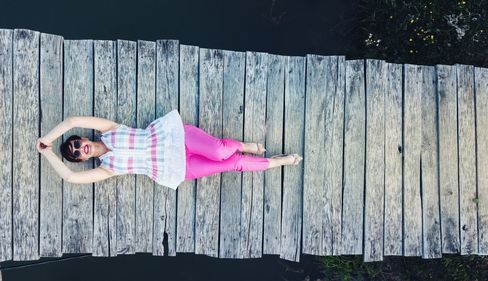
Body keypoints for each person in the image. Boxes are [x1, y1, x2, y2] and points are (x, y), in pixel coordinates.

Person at [36, 109, 302, 189]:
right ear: (82, 159)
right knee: (231, 164)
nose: (79, 148)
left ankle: (243, 145)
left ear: (82, 138)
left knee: (222, 151)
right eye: (76, 153)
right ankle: (280, 161)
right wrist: (47, 153)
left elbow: (72, 120)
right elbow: (69, 177)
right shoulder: (108, 169)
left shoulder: (110, 130)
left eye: (75, 143)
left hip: (175, 137)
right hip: (175, 168)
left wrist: (47, 138)